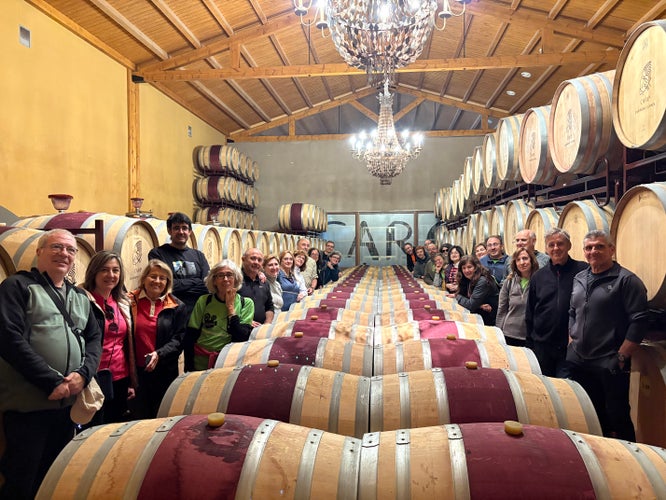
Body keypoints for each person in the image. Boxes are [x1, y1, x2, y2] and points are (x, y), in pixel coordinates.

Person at [0, 229, 102, 499]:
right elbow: (8, 338)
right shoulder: (17, 286)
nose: (64, 254)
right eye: (56, 247)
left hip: (68, 407)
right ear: (39, 252)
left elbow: (94, 339)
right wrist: (51, 381)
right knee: (21, 481)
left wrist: (83, 375)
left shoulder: (79, 296)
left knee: (55, 478)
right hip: (29, 406)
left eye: (70, 250)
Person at [567, 231, 648, 441]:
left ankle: (628, 456)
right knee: (588, 414)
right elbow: (573, 312)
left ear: (611, 249)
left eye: (599, 246)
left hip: (609, 361)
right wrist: (571, 340)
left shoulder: (627, 280)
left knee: (617, 416)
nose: (593, 251)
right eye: (589, 247)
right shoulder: (580, 278)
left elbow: (639, 322)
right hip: (579, 360)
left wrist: (621, 356)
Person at [82, 251, 136, 425]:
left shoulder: (123, 302)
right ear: (94, 272)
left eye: (115, 270)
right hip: (92, 377)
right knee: (92, 427)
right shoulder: (83, 301)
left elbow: (127, 343)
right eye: (104, 270)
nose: (111, 275)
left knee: (114, 427)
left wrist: (131, 381)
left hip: (120, 376)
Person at [128, 259, 187, 419]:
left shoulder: (176, 306)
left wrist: (159, 354)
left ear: (168, 282)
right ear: (144, 278)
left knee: (161, 416)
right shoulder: (130, 301)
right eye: (153, 276)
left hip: (164, 371)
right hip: (136, 373)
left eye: (162, 278)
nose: (157, 281)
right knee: (137, 418)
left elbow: (179, 340)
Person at [525, 227, 588, 378]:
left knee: (566, 386)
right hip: (542, 345)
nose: (556, 248)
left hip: (571, 345)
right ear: (546, 249)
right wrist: (530, 343)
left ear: (569, 246)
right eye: (551, 245)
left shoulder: (583, 271)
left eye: (560, 244)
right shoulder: (538, 276)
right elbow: (530, 311)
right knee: (544, 385)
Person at [185, 260, 254, 371]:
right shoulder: (204, 301)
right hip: (201, 361)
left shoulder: (246, 303)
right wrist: (188, 367)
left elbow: (241, 336)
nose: (225, 279)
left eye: (229, 275)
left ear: (236, 279)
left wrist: (230, 308)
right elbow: (191, 334)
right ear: (214, 281)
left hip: (229, 361)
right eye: (220, 275)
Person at [148, 212, 209, 317]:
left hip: (197, 314)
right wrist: (196, 281)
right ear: (169, 231)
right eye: (176, 228)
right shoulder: (158, 253)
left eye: (184, 228)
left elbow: (207, 285)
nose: (181, 232)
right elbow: (164, 285)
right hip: (171, 313)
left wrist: (178, 285)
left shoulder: (199, 255)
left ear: (190, 232)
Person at [496, 248, 539, 346]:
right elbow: (502, 310)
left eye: (525, 258)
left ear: (532, 260)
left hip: (531, 335)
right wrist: (498, 333)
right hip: (509, 334)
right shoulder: (509, 281)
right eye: (518, 260)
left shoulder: (539, 281)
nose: (522, 262)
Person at [447, 254, 499, 326]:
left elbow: (471, 305)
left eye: (469, 267)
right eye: (464, 268)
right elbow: (468, 299)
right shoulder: (467, 279)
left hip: (488, 320)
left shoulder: (482, 281)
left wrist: (457, 296)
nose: (466, 270)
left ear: (476, 267)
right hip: (479, 315)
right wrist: (479, 305)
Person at [238, 248, 274, 327]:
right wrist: (246, 320)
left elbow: (269, 306)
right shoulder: (236, 280)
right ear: (243, 259)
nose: (256, 262)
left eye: (259, 260)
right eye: (253, 258)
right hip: (241, 328)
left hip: (261, 329)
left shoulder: (264, 282)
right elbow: (228, 305)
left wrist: (267, 323)